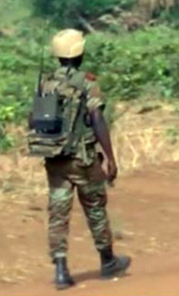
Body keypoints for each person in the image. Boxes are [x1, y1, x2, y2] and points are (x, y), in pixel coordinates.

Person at [29, 29, 131, 289]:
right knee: (95, 207)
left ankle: (61, 270)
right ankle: (107, 260)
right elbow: (97, 118)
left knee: (58, 213)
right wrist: (110, 157)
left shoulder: (46, 82)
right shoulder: (87, 82)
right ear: (79, 53)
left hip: (54, 158)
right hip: (82, 158)